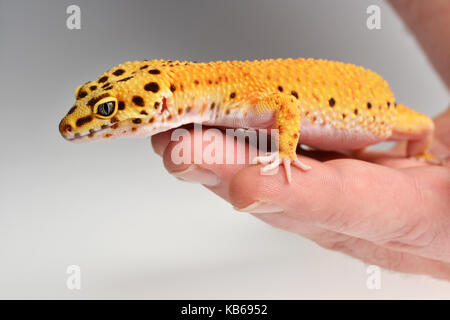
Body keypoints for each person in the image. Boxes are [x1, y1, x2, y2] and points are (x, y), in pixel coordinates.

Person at [151, 0, 450, 280]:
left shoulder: (239, 98)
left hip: (374, 111)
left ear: (162, 103)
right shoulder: (220, 101)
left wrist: (284, 152)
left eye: (107, 111)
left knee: (422, 127)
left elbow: (285, 106)